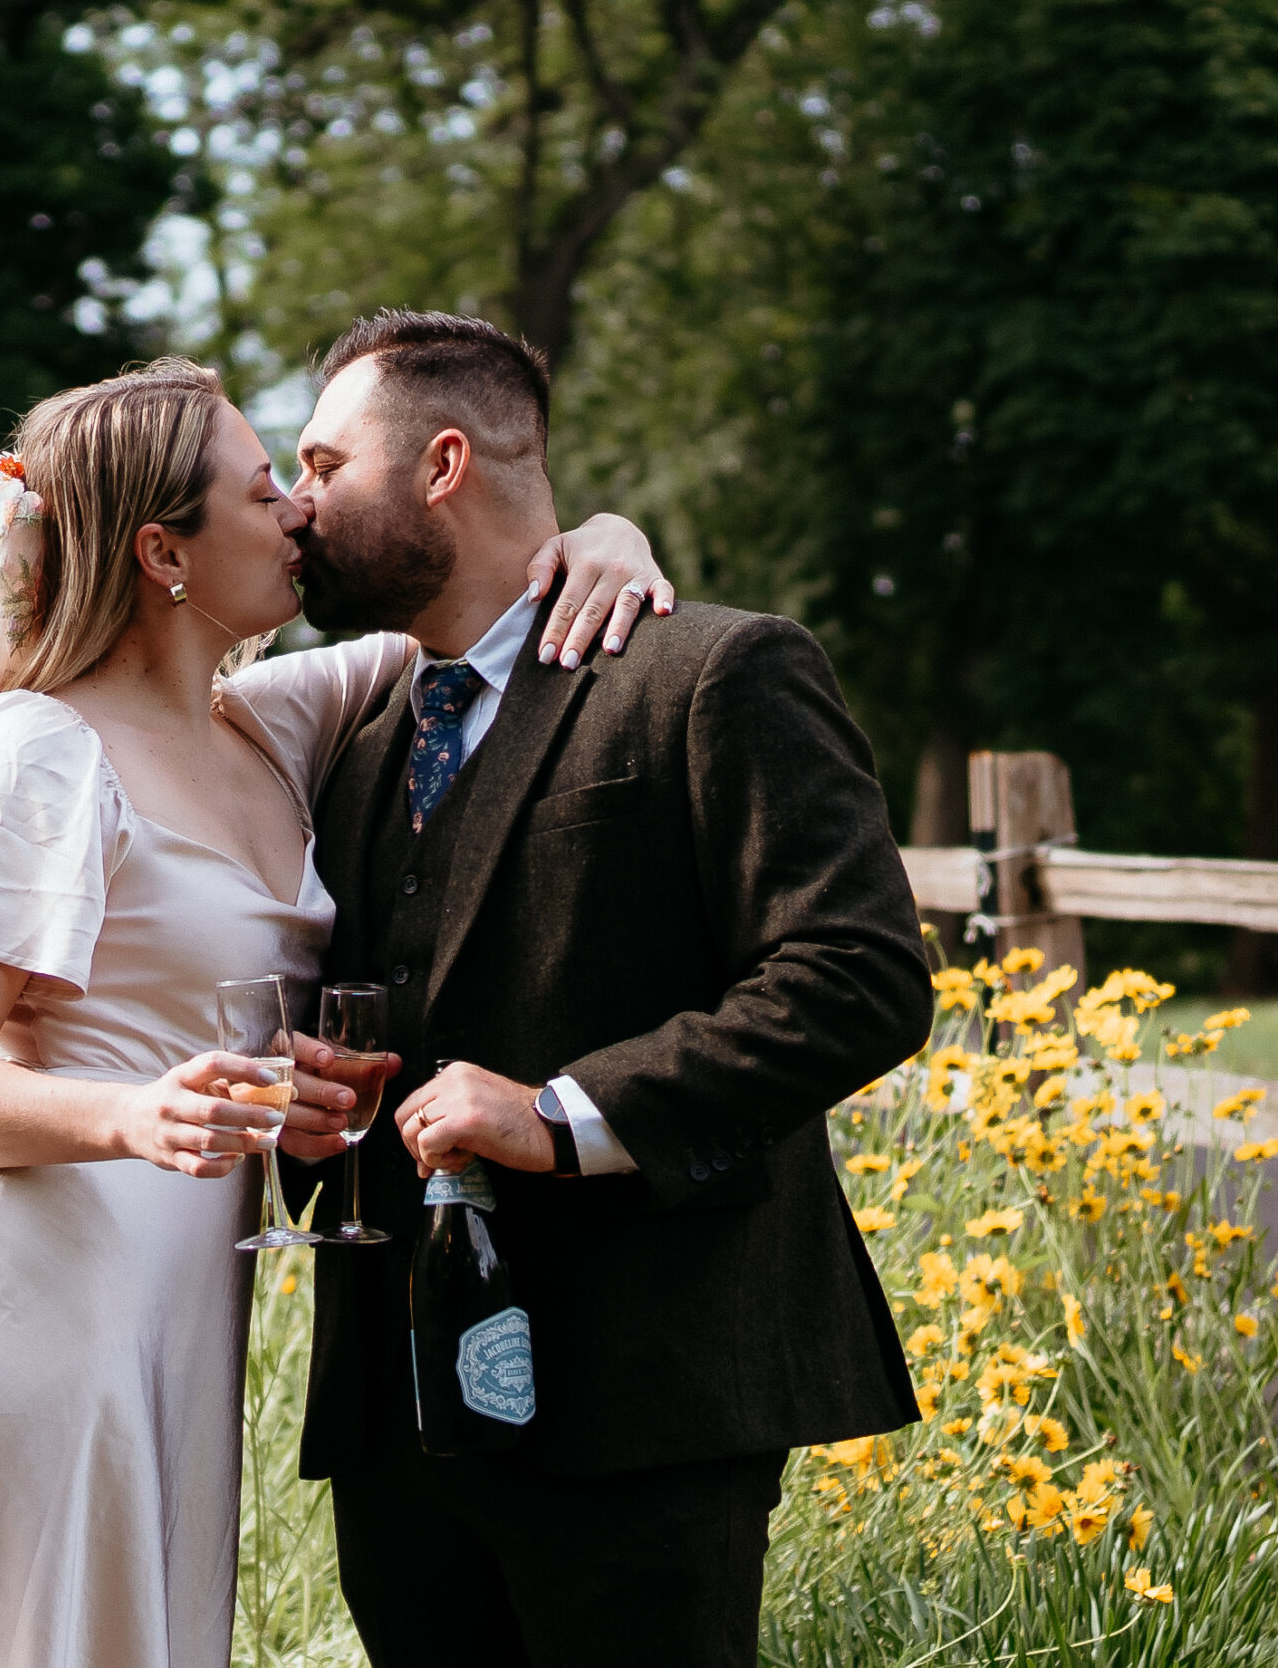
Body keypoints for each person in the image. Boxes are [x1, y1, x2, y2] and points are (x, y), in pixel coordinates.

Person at [0, 358, 675, 1668]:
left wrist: (603, 537)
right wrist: (136, 1110)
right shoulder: (38, 751)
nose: (300, 515)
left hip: (164, 1321)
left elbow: (489, 609)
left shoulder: (268, 722)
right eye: (263, 493)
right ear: (162, 552)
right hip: (17, 1310)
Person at [272, 310, 933, 1668]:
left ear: (443, 465)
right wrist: (314, 1108)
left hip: (645, 1402)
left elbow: (857, 976)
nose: (298, 501)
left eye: (326, 464)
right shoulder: (359, 731)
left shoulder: (712, 674)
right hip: (396, 1426)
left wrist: (566, 1116)